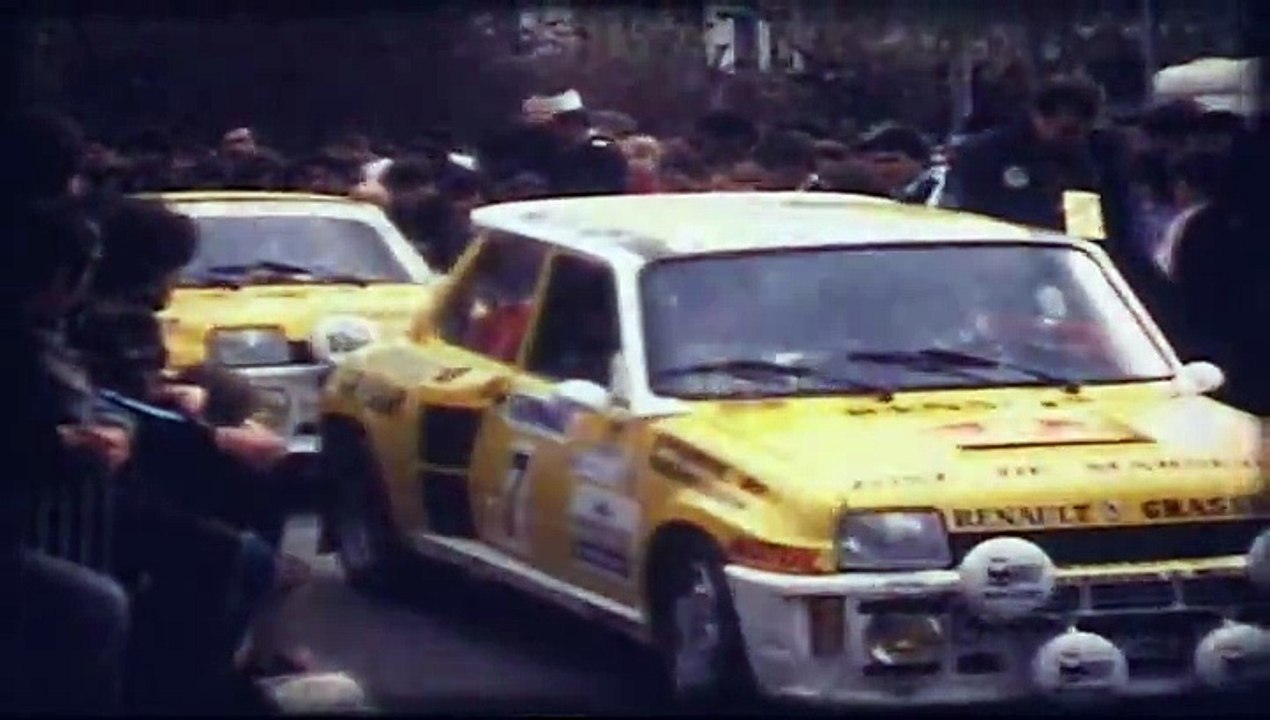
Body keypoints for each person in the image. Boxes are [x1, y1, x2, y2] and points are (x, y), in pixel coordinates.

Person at [0, 199, 132, 714]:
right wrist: (68, 444)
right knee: (97, 607)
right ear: (59, 278)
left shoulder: (38, 338)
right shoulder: (20, 345)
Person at [532, 89, 630, 196]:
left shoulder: (602, 153)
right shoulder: (549, 151)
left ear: (574, 122)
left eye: (552, 124)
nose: (548, 130)